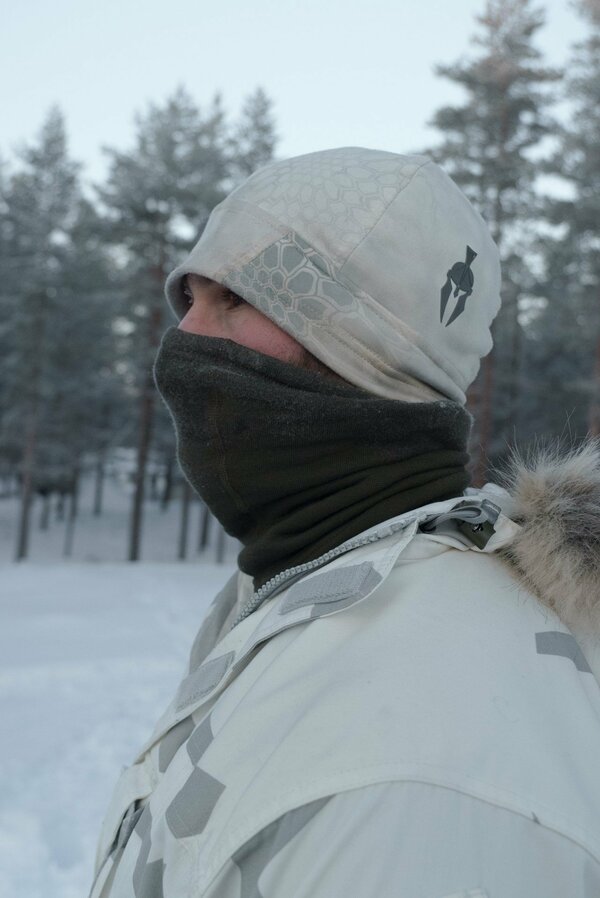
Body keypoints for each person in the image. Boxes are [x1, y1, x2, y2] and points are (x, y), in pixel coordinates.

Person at [90, 147, 600, 898]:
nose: (185, 339)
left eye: (233, 299)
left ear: (372, 350)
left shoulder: (419, 769)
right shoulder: (311, 590)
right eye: (189, 298)